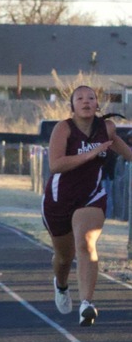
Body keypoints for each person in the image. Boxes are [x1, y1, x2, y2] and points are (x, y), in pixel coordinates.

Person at [43, 85, 132, 326]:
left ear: (97, 104)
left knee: (86, 242)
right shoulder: (63, 128)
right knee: (64, 257)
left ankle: (86, 304)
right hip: (59, 199)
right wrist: (89, 154)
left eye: (91, 98)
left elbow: (128, 154)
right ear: (72, 106)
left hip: (91, 196)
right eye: (80, 98)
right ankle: (61, 286)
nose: (86, 101)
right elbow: (55, 165)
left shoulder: (107, 129)